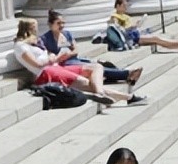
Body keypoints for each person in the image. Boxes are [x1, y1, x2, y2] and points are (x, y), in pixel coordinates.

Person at [13, 18, 147, 107]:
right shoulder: (20, 46)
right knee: (87, 83)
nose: (36, 30)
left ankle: (102, 93)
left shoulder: (31, 43)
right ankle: (129, 97)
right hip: (47, 72)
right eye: (33, 28)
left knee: (96, 68)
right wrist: (51, 58)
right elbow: (36, 64)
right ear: (26, 29)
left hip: (55, 67)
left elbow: (43, 56)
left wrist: (52, 56)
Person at [41, 10, 140, 89]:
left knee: (101, 63)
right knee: (95, 67)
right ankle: (127, 74)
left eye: (63, 23)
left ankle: (122, 73)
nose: (61, 26)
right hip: (63, 65)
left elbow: (75, 49)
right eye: (58, 23)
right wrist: (59, 57)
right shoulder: (45, 39)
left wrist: (69, 54)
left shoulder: (67, 34)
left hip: (73, 59)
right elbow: (48, 56)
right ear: (50, 24)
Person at [110, 0, 178, 52]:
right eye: (124, 6)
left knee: (156, 38)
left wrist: (137, 24)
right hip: (131, 38)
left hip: (135, 33)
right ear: (118, 6)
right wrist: (130, 27)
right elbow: (118, 30)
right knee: (156, 39)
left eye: (126, 6)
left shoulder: (125, 16)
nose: (126, 8)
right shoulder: (115, 17)